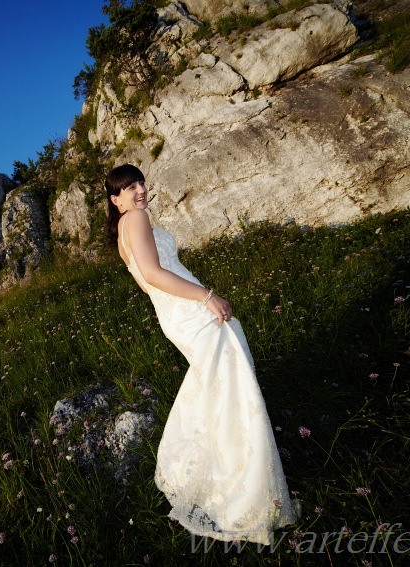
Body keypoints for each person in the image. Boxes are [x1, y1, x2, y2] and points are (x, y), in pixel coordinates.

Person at [105, 164, 297, 545]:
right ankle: (242, 493)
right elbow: (155, 275)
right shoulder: (136, 218)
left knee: (221, 389)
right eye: (129, 187)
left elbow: (146, 286)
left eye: (140, 182)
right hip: (189, 310)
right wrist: (206, 296)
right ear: (116, 200)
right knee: (230, 389)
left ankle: (226, 473)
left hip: (176, 312)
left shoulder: (124, 231)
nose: (140, 190)